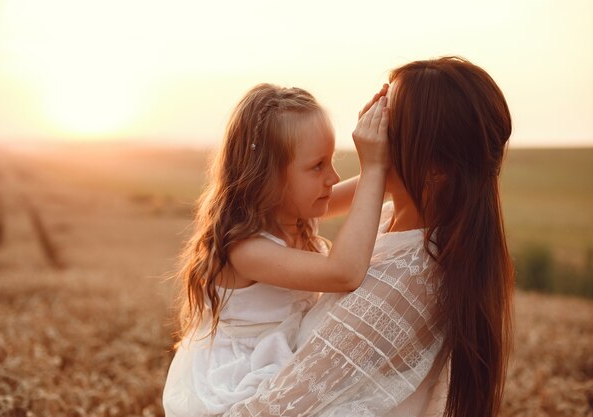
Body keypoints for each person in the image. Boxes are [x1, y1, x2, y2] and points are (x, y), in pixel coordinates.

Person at [222, 56, 514, 417]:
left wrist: (375, 165)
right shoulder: (394, 219)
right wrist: (376, 165)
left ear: (436, 167)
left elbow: (277, 409)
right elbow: (319, 202)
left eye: (391, 120)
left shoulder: (410, 278)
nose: (374, 126)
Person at [162, 83, 393, 416]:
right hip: (243, 375)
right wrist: (374, 169)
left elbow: (372, 189)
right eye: (318, 166)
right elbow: (346, 272)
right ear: (267, 178)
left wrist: (387, 156)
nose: (333, 176)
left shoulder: (295, 213)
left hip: (283, 355)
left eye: (331, 161)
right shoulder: (247, 250)